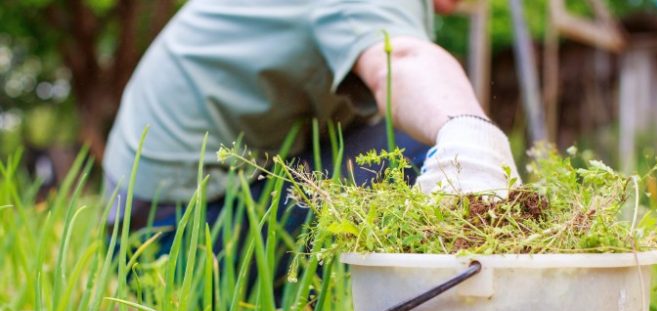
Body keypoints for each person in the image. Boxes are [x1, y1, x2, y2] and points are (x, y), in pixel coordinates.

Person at [103, 0, 520, 241]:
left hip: (150, 216)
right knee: (411, 154)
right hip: (173, 230)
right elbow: (399, 58)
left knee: (387, 144)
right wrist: (468, 137)